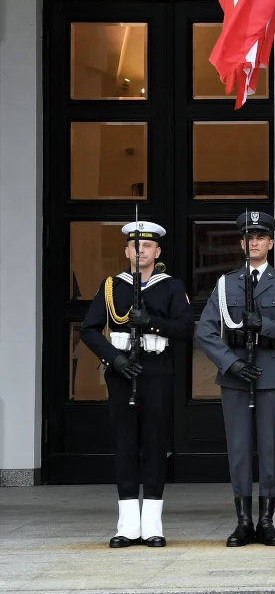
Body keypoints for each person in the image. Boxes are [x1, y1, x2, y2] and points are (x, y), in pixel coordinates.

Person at [196, 210, 275, 546]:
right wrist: (231, 364)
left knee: (270, 449)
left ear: (270, 243)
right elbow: (206, 331)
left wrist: (265, 325)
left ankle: (267, 521)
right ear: (241, 243)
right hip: (235, 375)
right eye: (249, 237)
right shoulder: (225, 283)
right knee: (239, 448)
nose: (254, 242)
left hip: (271, 372)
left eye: (260, 237)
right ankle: (243, 521)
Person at [79, 219, 193, 548]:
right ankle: (127, 525)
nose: (140, 250)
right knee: (126, 444)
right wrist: (114, 359)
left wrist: (152, 322)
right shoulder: (112, 286)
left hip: (156, 371)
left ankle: (152, 524)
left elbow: (186, 328)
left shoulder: (170, 286)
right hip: (121, 371)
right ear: (127, 251)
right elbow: (89, 329)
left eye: (147, 246)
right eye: (135, 245)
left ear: (157, 252)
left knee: (155, 446)